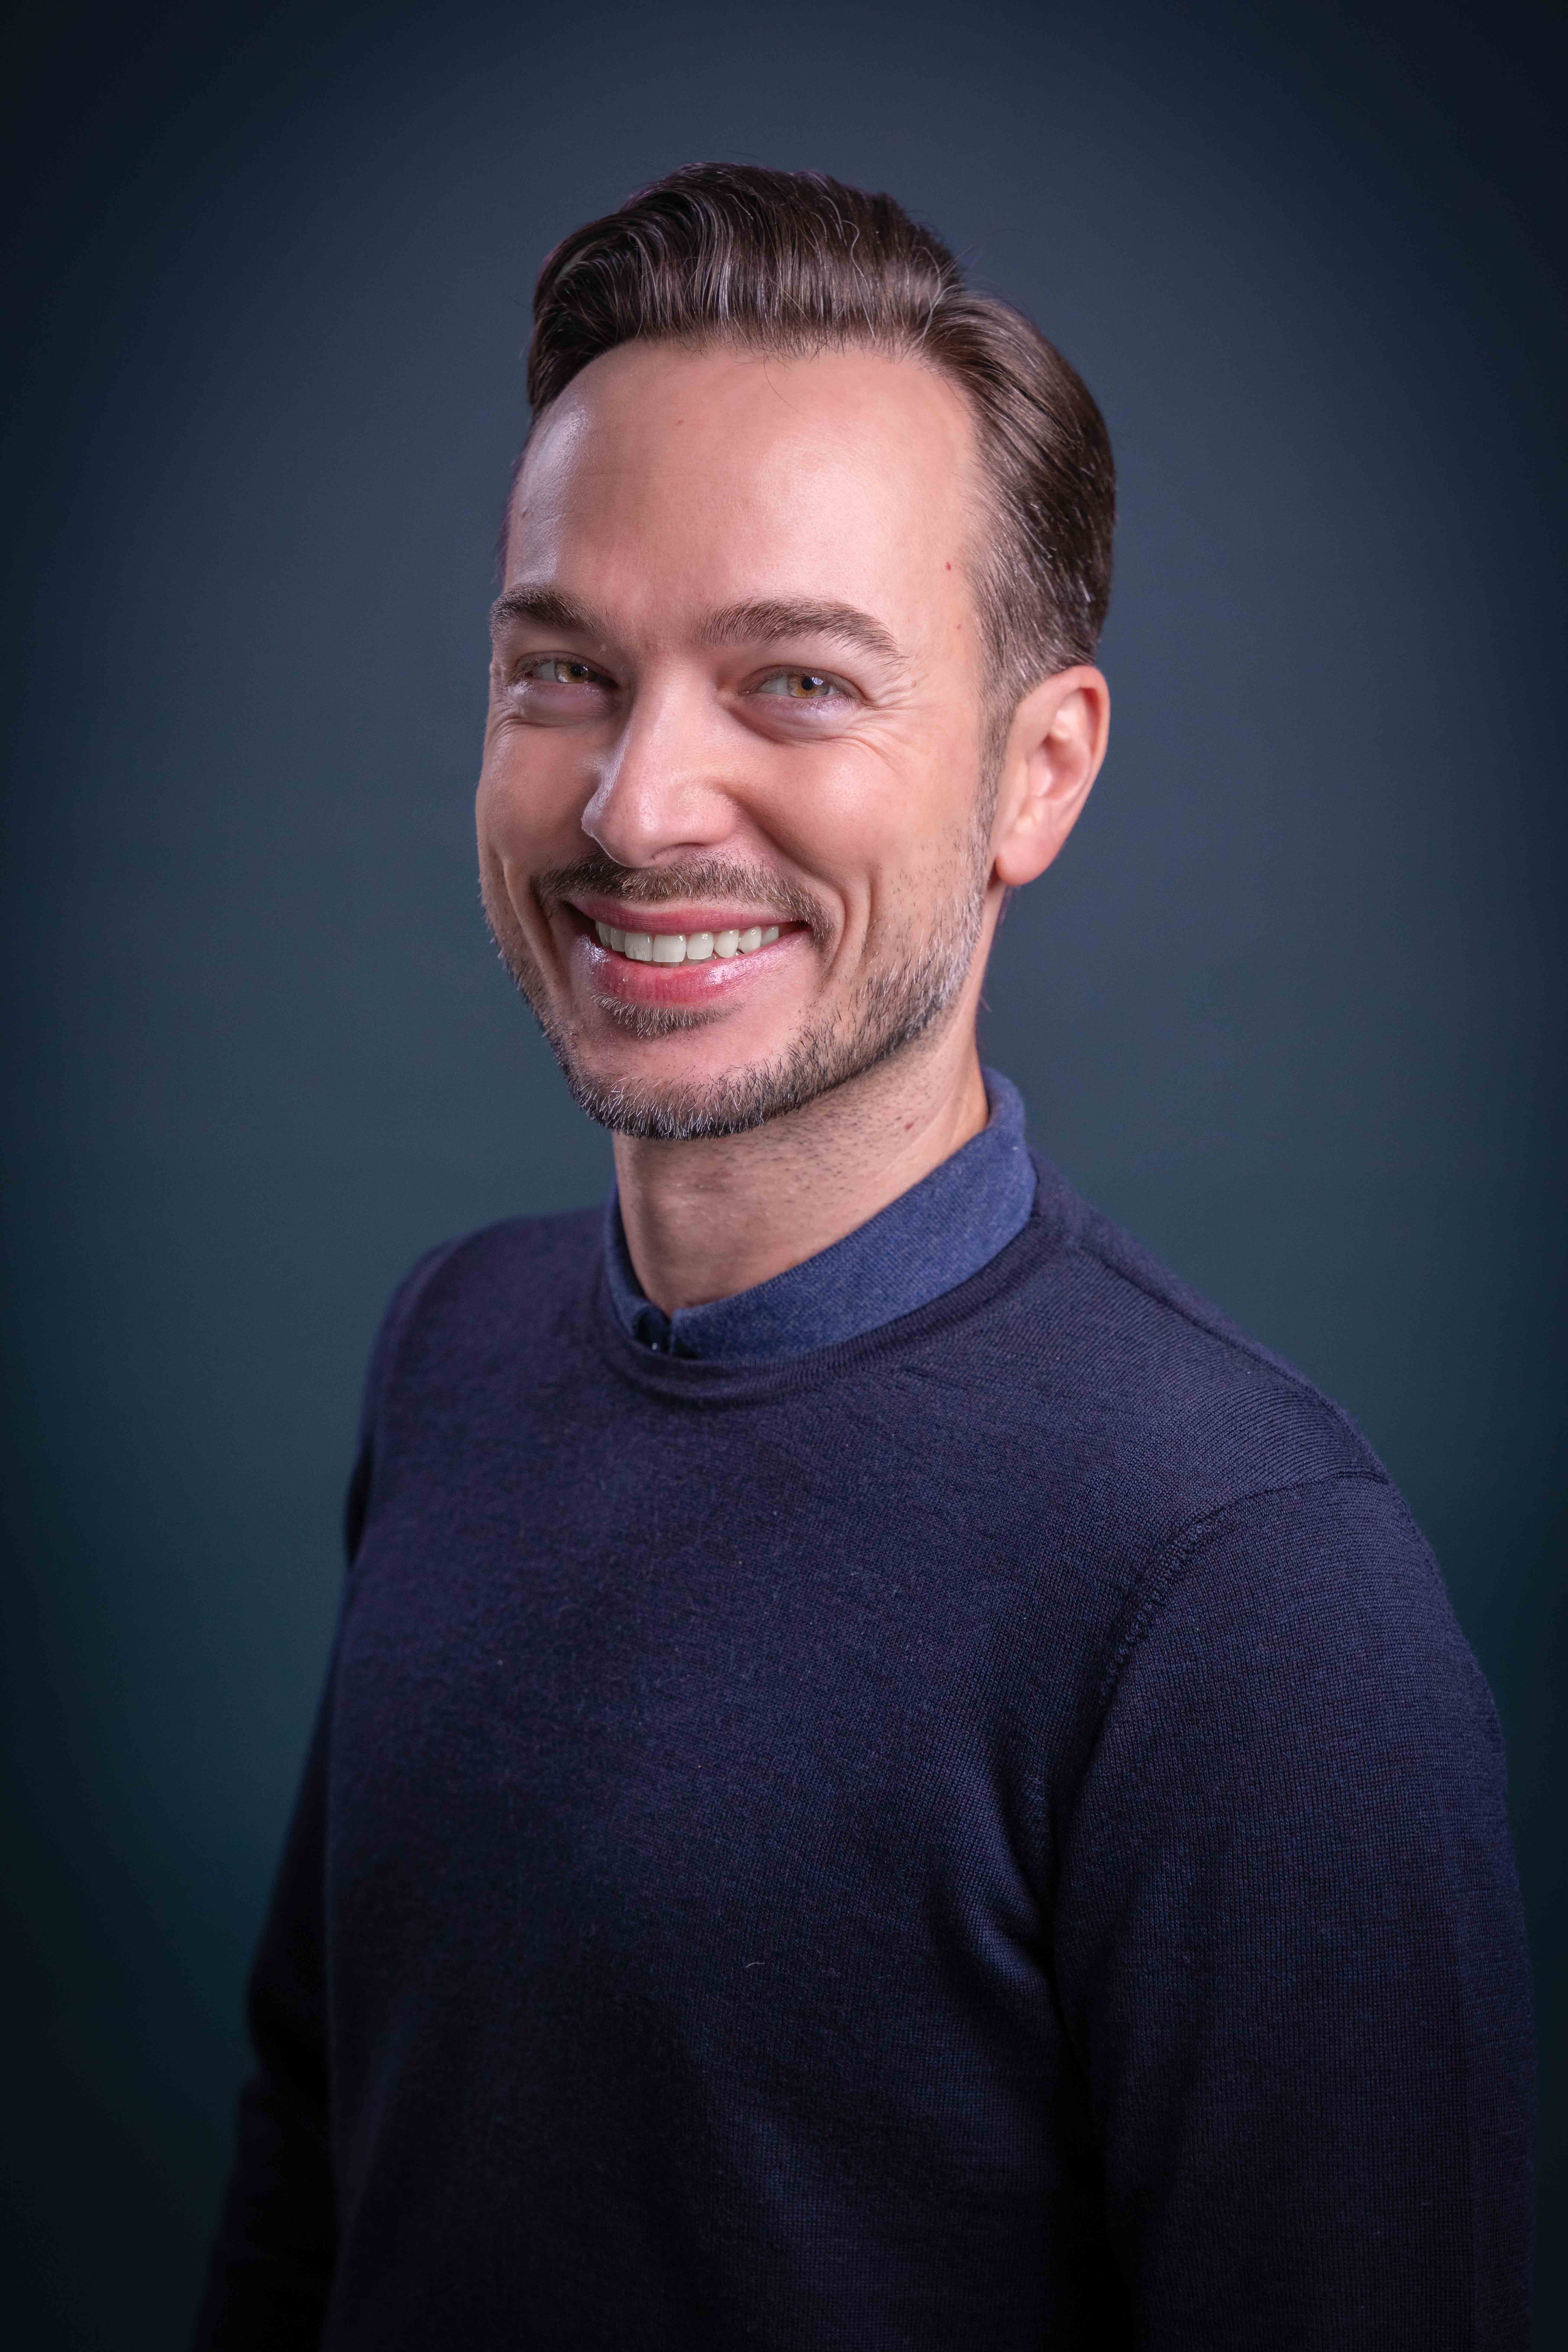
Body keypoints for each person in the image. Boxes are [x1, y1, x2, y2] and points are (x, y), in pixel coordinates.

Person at [193, 164, 1533, 2350]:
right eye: (562, 670)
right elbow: (315, 2157)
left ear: (1037, 772)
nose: (636, 805)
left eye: (793, 684)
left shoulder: (1249, 1587)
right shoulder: (453, 1347)